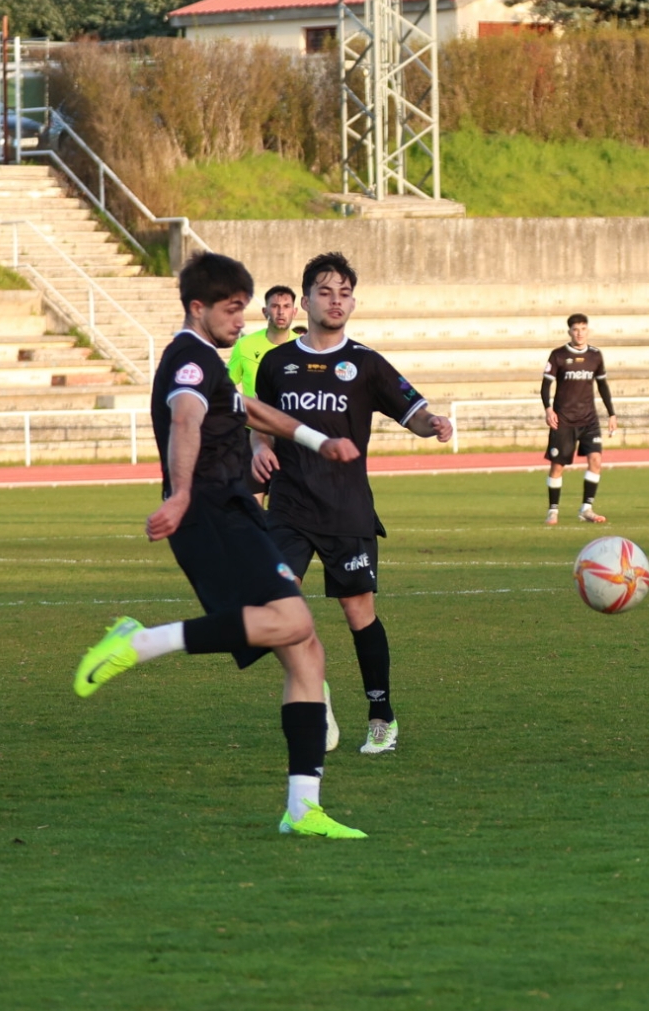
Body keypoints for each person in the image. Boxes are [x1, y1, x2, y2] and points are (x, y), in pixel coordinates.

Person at [72, 252, 368, 839]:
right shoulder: (188, 359)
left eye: (243, 307)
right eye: (231, 309)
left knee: (307, 651)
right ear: (198, 307)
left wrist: (315, 439)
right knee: (292, 621)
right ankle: (144, 641)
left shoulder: (213, 359)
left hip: (235, 511)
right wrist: (180, 494)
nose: (242, 319)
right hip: (209, 513)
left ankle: (302, 806)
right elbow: (185, 420)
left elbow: (250, 409)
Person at [253, 252, 454, 758]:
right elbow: (264, 425)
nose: (336, 300)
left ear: (354, 302)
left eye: (344, 293)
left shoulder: (366, 363)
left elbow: (415, 410)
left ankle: (382, 716)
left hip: (346, 508)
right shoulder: (277, 364)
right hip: (290, 506)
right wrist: (258, 449)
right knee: (277, 605)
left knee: (357, 611)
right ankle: (313, 691)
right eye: (326, 291)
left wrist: (435, 424)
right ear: (305, 301)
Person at [541, 313, 617, 525]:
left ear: (588, 330)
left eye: (583, 328)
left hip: (589, 419)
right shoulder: (558, 355)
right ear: (569, 332)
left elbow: (602, 385)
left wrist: (611, 413)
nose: (580, 333)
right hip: (563, 420)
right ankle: (553, 510)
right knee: (558, 466)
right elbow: (546, 385)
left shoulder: (595, 355)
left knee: (596, 460)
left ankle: (586, 509)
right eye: (576, 329)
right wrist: (548, 409)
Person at [227, 285, 299, 397]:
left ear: (294, 312)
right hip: (254, 414)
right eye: (275, 306)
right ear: (265, 311)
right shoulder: (244, 345)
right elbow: (224, 385)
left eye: (286, 306)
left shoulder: (303, 346)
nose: (281, 312)